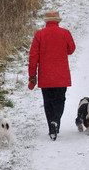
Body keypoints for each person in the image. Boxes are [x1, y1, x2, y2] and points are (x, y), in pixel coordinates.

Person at [28, 10, 76, 140]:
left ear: (46, 21)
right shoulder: (65, 33)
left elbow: (33, 57)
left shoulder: (39, 34)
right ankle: (56, 121)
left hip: (45, 76)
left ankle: (51, 128)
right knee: (60, 100)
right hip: (61, 75)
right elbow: (71, 49)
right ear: (57, 21)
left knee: (48, 101)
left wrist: (32, 75)